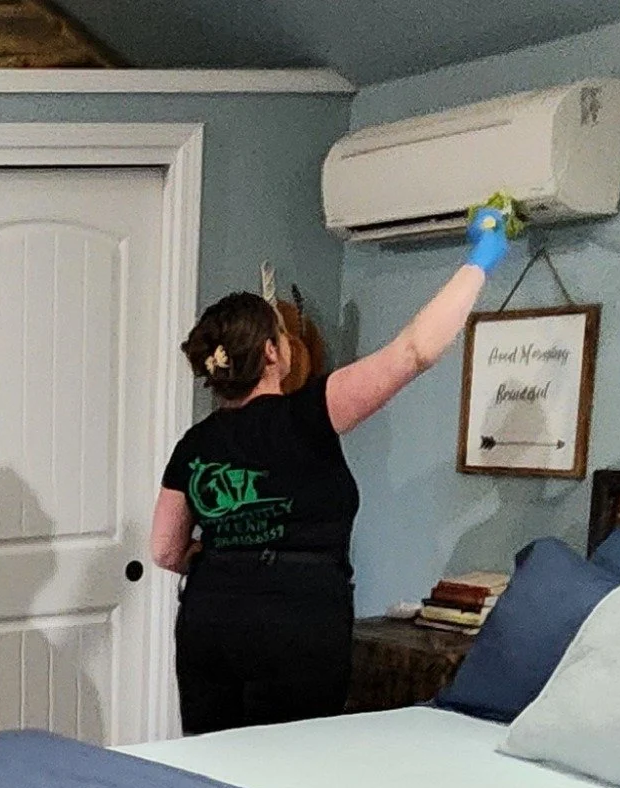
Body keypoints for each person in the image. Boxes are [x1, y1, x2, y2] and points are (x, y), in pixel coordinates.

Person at [151, 203, 514, 733]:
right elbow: (415, 350)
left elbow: (164, 550)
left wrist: (225, 555)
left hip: (211, 619)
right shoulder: (312, 411)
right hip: (298, 622)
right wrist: (481, 259)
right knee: (293, 770)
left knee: (213, 768)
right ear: (273, 354)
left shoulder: (194, 443)